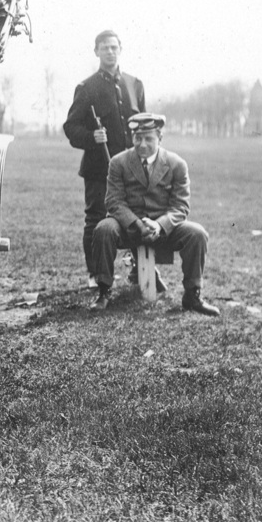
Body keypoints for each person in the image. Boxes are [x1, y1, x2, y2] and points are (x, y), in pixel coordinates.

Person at [90, 113, 219, 316]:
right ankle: (104, 291)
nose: (142, 144)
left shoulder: (177, 164)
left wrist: (159, 225)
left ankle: (192, 296)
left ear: (160, 138)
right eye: (137, 138)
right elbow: (114, 201)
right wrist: (137, 224)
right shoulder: (118, 162)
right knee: (103, 229)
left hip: (163, 230)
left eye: (148, 138)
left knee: (197, 233)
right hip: (129, 228)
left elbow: (180, 206)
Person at [63, 30, 145, 285]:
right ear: (96, 51)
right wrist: (91, 137)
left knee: (137, 216)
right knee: (96, 220)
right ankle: (97, 274)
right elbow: (71, 127)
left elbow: (144, 126)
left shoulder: (135, 85)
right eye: (104, 48)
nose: (110, 52)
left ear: (120, 49)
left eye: (114, 47)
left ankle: (137, 269)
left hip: (132, 168)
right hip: (99, 169)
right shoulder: (86, 88)